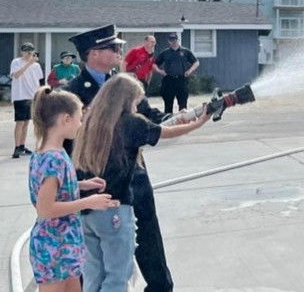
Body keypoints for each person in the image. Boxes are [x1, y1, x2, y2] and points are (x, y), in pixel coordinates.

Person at [63, 25, 187, 292]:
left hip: (134, 176)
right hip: (96, 183)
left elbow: (150, 117)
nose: (120, 51)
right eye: (113, 47)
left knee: (149, 236)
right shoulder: (71, 92)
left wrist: (184, 117)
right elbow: (64, 142)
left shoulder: (123, 84)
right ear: (93, 53)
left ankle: (160, 287)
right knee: (98, 257)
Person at [73, 73, 208, 292]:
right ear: (126, 99)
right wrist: (199, 122)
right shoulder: (130, 122)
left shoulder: (90, 121)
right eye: (137, 100)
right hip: (115, 210)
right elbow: (167, 131)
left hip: (88, 212)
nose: (138, 105)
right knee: (117, 276)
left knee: (94, 276)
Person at [28, 86, 119, 292]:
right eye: (79, 119)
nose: (81, 125)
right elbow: (45, 209)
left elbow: (54, 189)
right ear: (65, 120)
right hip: (53, 245)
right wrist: (89, 202)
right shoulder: (53, 159)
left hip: (66, 241)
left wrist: (82, 185)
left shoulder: (53, 153)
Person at [11, 42, 44, 158]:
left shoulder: (37, 65)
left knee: (26, 122)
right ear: (21, 52)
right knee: (19, 122)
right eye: (25, 51)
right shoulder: (16, 62)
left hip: (32, 96)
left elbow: (40, 81)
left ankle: (22, 146)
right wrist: (29, 63)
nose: (27, 53)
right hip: (20, 95)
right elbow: (16, 75)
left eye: (30, 51)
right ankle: (16, 147)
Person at [153, 33, 199, 115]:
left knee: (183, 105)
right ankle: (168, 124)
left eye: (175, 40)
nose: (173, 42)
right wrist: (160, 71)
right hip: (168, 80)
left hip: (181, 79)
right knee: (168, 105)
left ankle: (183, 124)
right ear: (169, 41)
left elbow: (196, 62)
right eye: (171, 40)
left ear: (178, 40)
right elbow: (154, 64)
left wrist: (190, 71)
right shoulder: (165, 53)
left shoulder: (185, 51)